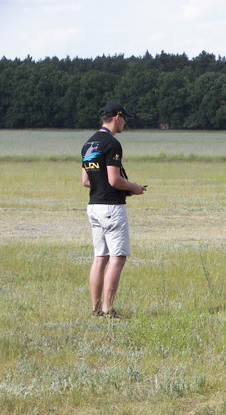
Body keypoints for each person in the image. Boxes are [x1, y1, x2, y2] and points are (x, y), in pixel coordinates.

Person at [81, 102, 146, 319]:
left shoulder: (89, 144)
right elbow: (114, 179)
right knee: (118, 258)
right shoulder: (112, 144)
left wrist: (103, 186)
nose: (125, 123)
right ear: (117, 117)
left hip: (94, 206)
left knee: (100, 258)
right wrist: (133, 188)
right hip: (111, 207)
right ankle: (108, 309)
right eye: (124, 119)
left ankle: (95, 309)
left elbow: (86, 181)